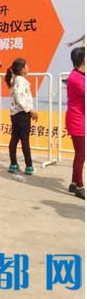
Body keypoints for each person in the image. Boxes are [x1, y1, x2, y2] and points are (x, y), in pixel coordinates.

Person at [5, 58, 38, 175]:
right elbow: (20, 98)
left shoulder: (15, 80)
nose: (28, 68)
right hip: (22, 114)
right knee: (24, 140)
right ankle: (29, 166)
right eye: (26, 66)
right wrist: (30, 110)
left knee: (14, 139)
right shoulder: (20, 81)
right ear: (22, 69)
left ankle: (13, 164)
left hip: (15, 114)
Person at [65, 47, 85, 200]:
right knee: (81, 154)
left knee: (80, 153)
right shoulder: (76, 78)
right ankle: (79, 186)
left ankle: (73, 182)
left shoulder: (80, 75)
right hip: (77, 120)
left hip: (79, 119)